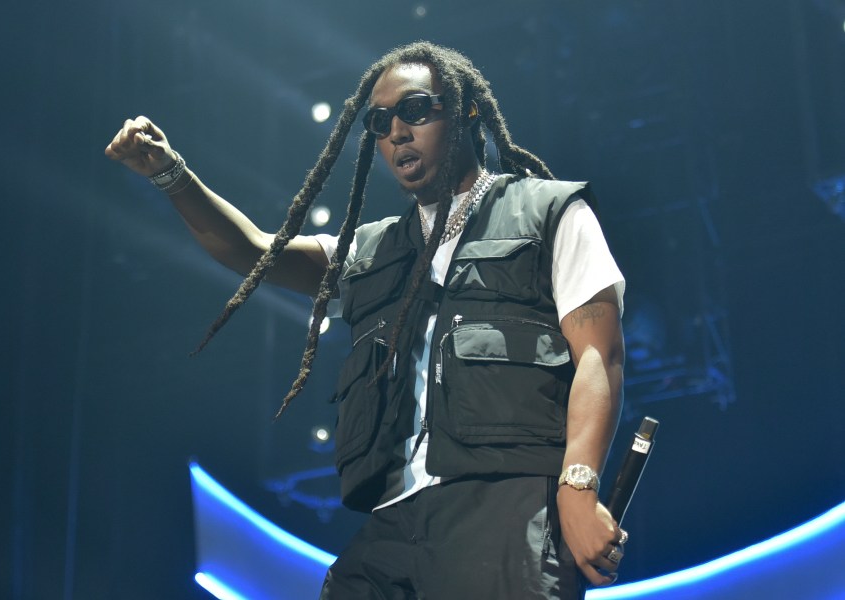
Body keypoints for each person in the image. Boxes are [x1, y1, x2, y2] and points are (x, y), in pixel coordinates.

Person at [106, 42, 626, 599]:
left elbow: (599, 354)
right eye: (379, 121)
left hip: (505, 501)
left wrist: (577, 486)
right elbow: (251, 250)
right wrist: (170, 175)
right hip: (395, 520)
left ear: (467, 109)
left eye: (415, 110)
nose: (396, 131)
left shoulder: (548, 211)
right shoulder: (371, 250)